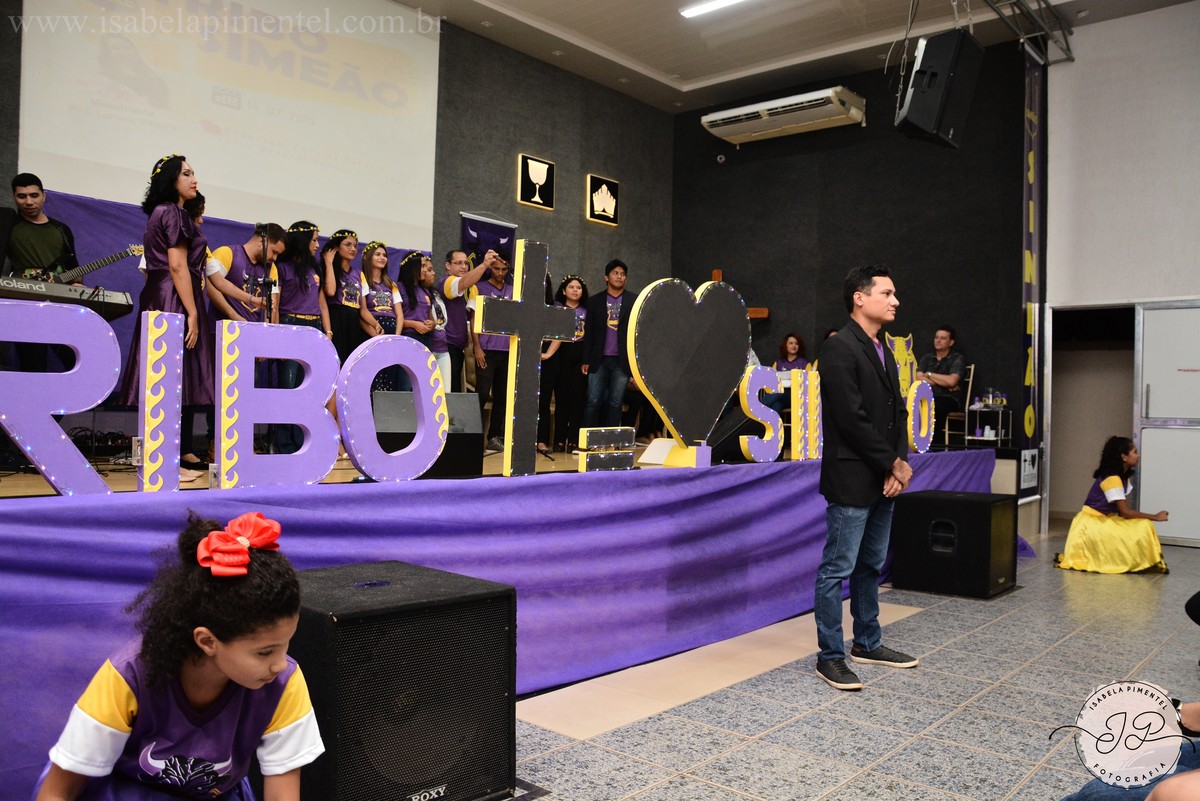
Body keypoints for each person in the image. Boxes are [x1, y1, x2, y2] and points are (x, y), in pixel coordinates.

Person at [32, 511, 324, 800]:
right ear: (207, 641)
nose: (279, 663)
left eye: (286, 644)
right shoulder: (128, 676)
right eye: (265, 652)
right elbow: (57, 793)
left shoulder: (284, 682)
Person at [814, 265, 916, 691]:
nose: (895, 301)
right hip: (852, 477)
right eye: (886, 293)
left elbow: (898, 413)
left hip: (882, 477)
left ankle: (868, 643)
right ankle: (829, 656)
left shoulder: (883, 349)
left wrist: (899, 463)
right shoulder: (839, 347)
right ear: (859, 298)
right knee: (836, 569)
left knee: (870, 565)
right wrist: (892, 463)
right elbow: (850, 419)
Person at [118, 155, 215, 476]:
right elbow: (177, 265)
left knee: (168, 377)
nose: (194, 179)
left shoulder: (165, 212)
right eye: (186, 173)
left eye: (193, 173)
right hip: (173, 296)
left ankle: (168, 461)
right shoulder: (172, 212)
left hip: (164, 293)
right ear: (171, 179)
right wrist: (192, 312)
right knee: (170, 376)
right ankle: (165, 463)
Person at [1055, 436, 1169, 574]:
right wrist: (1155, 517)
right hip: (1091, 525)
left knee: (1142, 525)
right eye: (1134, 452)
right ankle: (1140, 562)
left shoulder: (1122, 477)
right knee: (1144, 525)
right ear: (1124, 457)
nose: (1138, 455)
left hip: (1105, 520)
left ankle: (1143, 561)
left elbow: (1122, 512)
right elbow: (1125, 512)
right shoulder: (1113, 478)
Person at [4, 174, 80, 374]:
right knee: (33, 366)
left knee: (76, 357)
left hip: (59, 303)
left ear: (44, 195)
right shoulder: (8, 226)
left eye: (34, 195)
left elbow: (73, 267)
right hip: (25, 303)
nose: (28, 202)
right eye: (22, 196)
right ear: (14, 197)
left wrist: (77, 285)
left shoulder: (61, 229)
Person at [273, 222, 331, 455]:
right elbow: (275, 305)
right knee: (289, 387)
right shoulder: (282, 268)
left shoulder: (315, 269)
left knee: (309, 388)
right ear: (302, 240)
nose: (317, 245)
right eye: (314, 240)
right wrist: (276, 337)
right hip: (291, 325)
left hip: (314, 327)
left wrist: (327, 331)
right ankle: (285, 444)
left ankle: (303, 441)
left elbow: (322, 303)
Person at [538, 275, 588, 454]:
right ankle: (559, 440)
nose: (575, 290)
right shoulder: (556, 307)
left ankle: (573, 440)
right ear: (564, 290)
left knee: (577, 400)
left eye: (578, 287)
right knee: (561, 400)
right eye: (571, 287)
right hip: (560, 357)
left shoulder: (587, 310)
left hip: (580, 359)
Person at [582, 259, 633, 429]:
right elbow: (589, 332)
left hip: (622, 361)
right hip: (599, 359)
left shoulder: (634, 300)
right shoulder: (594, 301)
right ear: (606, 277)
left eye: (623, 274)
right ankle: (587, 438)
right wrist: (586, 359)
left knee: (616, 403)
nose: (619, 277)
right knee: (593, 401)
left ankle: (613, 440)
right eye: (615, 273)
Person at [473, 256, 514, 454]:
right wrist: (477, 347)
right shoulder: (479, 288)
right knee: (481, 393)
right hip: (486, 351)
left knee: (502, 395)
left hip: (506, 350)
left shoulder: (513, 290)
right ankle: (475, 436)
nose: (500, 273)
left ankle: (494, 437)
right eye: (496, 269)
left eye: (504, 270)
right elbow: (473, 319)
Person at [207, 224, 284, 324]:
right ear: (262, 241)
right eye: (274, 252)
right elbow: (210, 286)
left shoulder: (271, 268)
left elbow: (272, 305)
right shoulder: (227, 253)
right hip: (222, 328)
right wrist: (233, 315)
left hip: (251, 329)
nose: (274, 258)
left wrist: (268, 330)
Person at [438, 250, 492, 393]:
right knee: (448, 392)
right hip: (447, 346)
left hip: (457, 347)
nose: (464, 266)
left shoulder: (466, 288)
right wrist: (485, 264)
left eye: (466, 263)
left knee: (455, 390)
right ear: (448, 265)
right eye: (458, 263)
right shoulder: (447, 281)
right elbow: (463, 282)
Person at [360, 241, 403, 392]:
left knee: (390, 375)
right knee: (374, 376)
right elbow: (362, 311)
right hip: (374, 330)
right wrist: (374, 333)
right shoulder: (362, 280)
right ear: (368, 257)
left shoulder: (391, 284)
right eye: (377, 254)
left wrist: (397, 337)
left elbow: (400, 315)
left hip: (392, 332)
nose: (382, 258)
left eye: (384, 255)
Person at [914, 325, 966, 438]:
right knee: (910, 404)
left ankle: (932, 442)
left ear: (951, 342)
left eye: (943, 338)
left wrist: (929, 374)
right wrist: (944, 382)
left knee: (935, 406)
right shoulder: (927, 358)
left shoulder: (957, 359)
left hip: (949, 399)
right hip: (926, 396)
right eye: (936, 337)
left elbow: (952, 381)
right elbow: (919, 378)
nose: (938, 340)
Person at [321, 229, 363, 365]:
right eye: (348, 245)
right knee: (337, 361)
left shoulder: (358, 274)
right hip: (336, 318)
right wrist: (328, 263)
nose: (353, 249)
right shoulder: (328, 269)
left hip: (354, 320)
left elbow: (362, 306)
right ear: (337, 248)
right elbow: (331, 291)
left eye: (355, 246)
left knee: (352, 364)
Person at [762, 333, 808, 413]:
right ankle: (773, 422)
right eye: (791, 343)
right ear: (785, 346)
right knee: (776, 405)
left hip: (797, 397)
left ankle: (760, 404)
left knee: (781, 394)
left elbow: (809, 383)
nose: (794, 346)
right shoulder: (778, 363)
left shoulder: (805, 363)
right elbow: (771, 381)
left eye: (796, 344)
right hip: (780, 396)